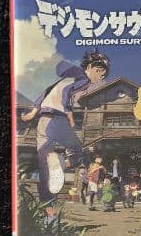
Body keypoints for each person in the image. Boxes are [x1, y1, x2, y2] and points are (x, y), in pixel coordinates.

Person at [21, 50, 110, 199]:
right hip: (56, 119)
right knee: (78, 151)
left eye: (103, 76)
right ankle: (61, 162)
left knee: (44, 163)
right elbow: (66, 96)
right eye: (99, 73)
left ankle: (47, 204)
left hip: (43, 121)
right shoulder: (83, 79)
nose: (100, 77)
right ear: (90, 67)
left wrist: (33, 112)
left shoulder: (66, 78)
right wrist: (70, 116)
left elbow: (46, 92)